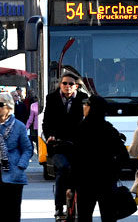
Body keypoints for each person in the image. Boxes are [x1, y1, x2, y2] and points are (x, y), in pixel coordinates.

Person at [73, 95, 130, 221]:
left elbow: (74, 159)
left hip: (85, 182)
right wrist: (114, 171)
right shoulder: (109, 130)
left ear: (91, 108)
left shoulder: (80, 129)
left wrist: (71, 184)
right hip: (106, 181)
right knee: (108, 216)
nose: (84, 107)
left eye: (86, 104)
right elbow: (124, 156)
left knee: (84, 216)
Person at [0, 92, 35, 222]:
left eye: (0, 104)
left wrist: (20, 165)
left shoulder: (19, 126)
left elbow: (27, 149)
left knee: (12, 213)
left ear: (9, 107)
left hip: (13, 175)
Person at [43, 73, 88, 216]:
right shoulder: (51, 98)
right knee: (63, 169)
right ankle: (59, 206)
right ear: (60, 84)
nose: (67, 86)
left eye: (70, 84)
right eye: (64, 83)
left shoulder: (83, 99)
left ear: (76, 86)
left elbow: (87, 121)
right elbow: (46, 122)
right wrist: (50, 135)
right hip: (58, 144)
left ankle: (80, 204)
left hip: (77, 144)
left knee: (81, 172)